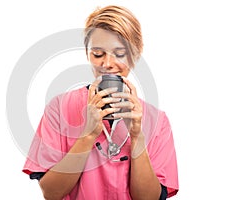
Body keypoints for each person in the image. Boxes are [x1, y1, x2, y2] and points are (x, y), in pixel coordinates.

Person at [23, 5, 179, 200]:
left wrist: (137, 136)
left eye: (120, 54)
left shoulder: (158, 121)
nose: (107, 63)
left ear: (135, 55)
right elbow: (51, 193)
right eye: (98, 54)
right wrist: (88, 136)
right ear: (88, 54)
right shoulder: (59, 109)